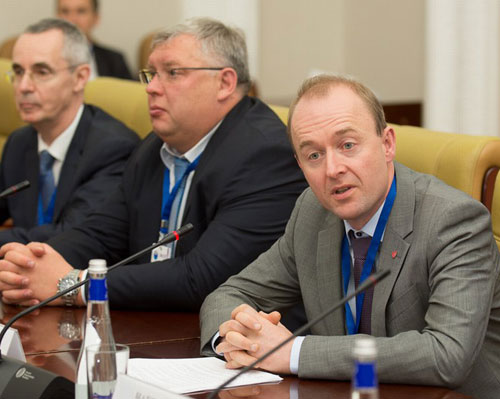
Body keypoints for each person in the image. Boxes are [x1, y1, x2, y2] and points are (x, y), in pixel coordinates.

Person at [199, 75, 500, 399]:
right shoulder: (313, 212)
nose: (332, 169)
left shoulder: (454, 221)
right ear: (300, 165)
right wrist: (236, 340)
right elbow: (230, 294)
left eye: (347, 145)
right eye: (314, 155)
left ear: (387, 144)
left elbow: (447, 355)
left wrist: (292, 353)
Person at [0, 18, 307, 312]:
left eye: (172, 73)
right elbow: (100, 234)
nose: (151, 88)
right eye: (151, 74)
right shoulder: (153, 147)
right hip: (152, 328)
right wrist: (29, 267)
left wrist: (75, 285)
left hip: (234, 345)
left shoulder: (265, 154)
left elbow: (203, 278)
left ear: (224, 82)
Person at [0, 18, 139, 246]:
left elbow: (71, 235)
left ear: (80, 77)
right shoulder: (20, 141)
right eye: (17, 71)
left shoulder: (113, 149)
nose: (23, 86)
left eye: (41, 71)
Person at [56, 0, 133, 80]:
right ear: (56, 17)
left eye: (81, 11)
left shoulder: (115, 61)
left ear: (95, 18)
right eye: (65, 11)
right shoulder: (43, 57)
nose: (72, 19)